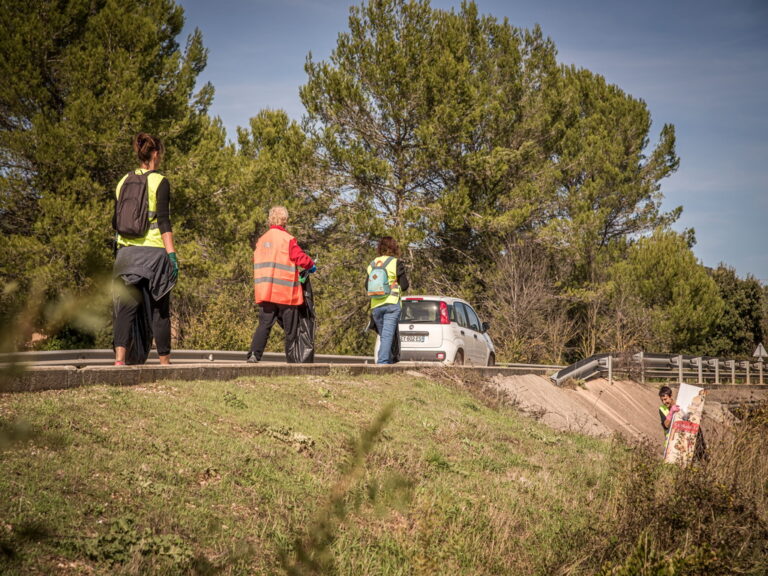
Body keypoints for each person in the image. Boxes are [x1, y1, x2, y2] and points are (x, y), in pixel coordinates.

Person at [112, 133, 178, 366]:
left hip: (126, 254)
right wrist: (172, 255)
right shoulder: (160, 181)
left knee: (126, 307)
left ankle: (119, 359)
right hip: (154, 254)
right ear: (156, 154)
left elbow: (115, 222)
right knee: (159, 308)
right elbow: (163, 221)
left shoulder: (123, 182)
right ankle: (164, 362)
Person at [247, 206, 315, 363]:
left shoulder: (262, 240)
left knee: (264, 324)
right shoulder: (287, 239)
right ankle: (292, 360)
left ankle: (254, 355)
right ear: (285, 220)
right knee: (291, 329)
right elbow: (300, 258)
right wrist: (311, 265)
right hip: (285, 292)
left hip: (265, 291)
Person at [366, 236, 408, 364]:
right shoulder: (395, 263)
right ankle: (383, 363)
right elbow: (405, 286)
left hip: (376, 305)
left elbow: (366, 285)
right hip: (391, 303)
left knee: (384, 336)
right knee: (387, 335)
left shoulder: (372, 264)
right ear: (394, 247)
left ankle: (388, 361)